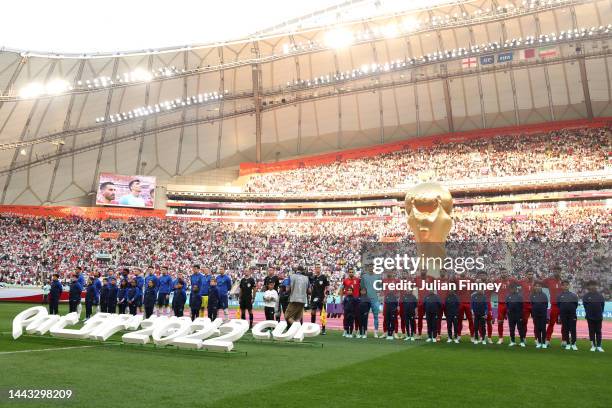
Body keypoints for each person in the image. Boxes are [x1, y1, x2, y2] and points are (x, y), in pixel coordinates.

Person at [582, 280, 605, 352]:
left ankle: (599, 346)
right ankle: (593, 345)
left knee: (598, 331)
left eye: (594, 285)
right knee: (591, 331)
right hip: (590, 317)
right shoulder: (586, 296)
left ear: (596, 286)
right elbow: (585, 306)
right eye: (591, 285)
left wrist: (600, 313)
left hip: (598, 316)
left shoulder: (600, 296)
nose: (593, 287)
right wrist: (588, 314)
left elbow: (602, 306)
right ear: (588, 287)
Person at [544, 266, 563, 346]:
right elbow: (538, 283)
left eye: (558, 271)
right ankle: (547, 340)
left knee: (564, 323)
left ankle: (564, 340)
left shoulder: (563, 282)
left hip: (563, 305)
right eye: (555, 271)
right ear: (553, 271)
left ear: (560, 272)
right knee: (551, 323)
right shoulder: (549, 280)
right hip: (554, 305)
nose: (556, 272)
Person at [360, 266, 382, 338]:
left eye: (372, 267)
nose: (371, 268)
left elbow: (380, 287)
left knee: (376, 316)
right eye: (369, 267)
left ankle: (375, 332)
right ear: (367, 268)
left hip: (375, 299)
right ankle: (365, 332)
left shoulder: (377, 277)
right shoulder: (364, 277)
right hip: (366, 300)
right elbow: (362, 288)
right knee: (365, 316)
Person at [557, 280, 579, 351]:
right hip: (564, 315)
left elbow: (575, 305)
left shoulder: (573, 295)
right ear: (562, 286)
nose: (565, 286)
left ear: (569, 286)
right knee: (565, 329)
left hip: (572, 315)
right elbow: (559, 305)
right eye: (564, 285)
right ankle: (568, 344)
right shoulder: (559, 296)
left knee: (573, 329)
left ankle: (574, 343)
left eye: (567, 285)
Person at [309, 265, 329, 334]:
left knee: (322, 313)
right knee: (313, 312)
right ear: (315, 269)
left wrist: (326, 296)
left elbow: (327, 287)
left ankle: (323, 329)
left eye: (319, 268)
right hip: (313, 297)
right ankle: (312, 328)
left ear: (320, 269)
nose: (317, 269)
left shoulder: (323, 277)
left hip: (321, 297)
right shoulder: (313, 278)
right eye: (316, 268)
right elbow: (310, 287)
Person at [340, 268, 360, 336]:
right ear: (348, 273)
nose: (351, 273)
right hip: (347, 301)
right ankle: (345, 330)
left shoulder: (357, 280)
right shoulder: (345, 280)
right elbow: (341, 289)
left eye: (352, 272)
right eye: (350, 272)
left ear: (354, 273)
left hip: (356, 301)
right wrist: (341, 298)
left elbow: (360, 288)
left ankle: (356, 331)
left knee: (356, 317)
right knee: (346, 317)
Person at [530, 281, 549, 349]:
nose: (537, 287)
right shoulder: (532, 295)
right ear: (534, 287)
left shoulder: (544, 295)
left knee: (543, 329)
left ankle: (543, 343)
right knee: (537, 328)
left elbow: (546, 305)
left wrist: (543, 312)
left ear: (541, 287)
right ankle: (539, 342)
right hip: (535, 315)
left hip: (543, 315)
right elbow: (531, 305)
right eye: (536, 286)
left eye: (539, 286)